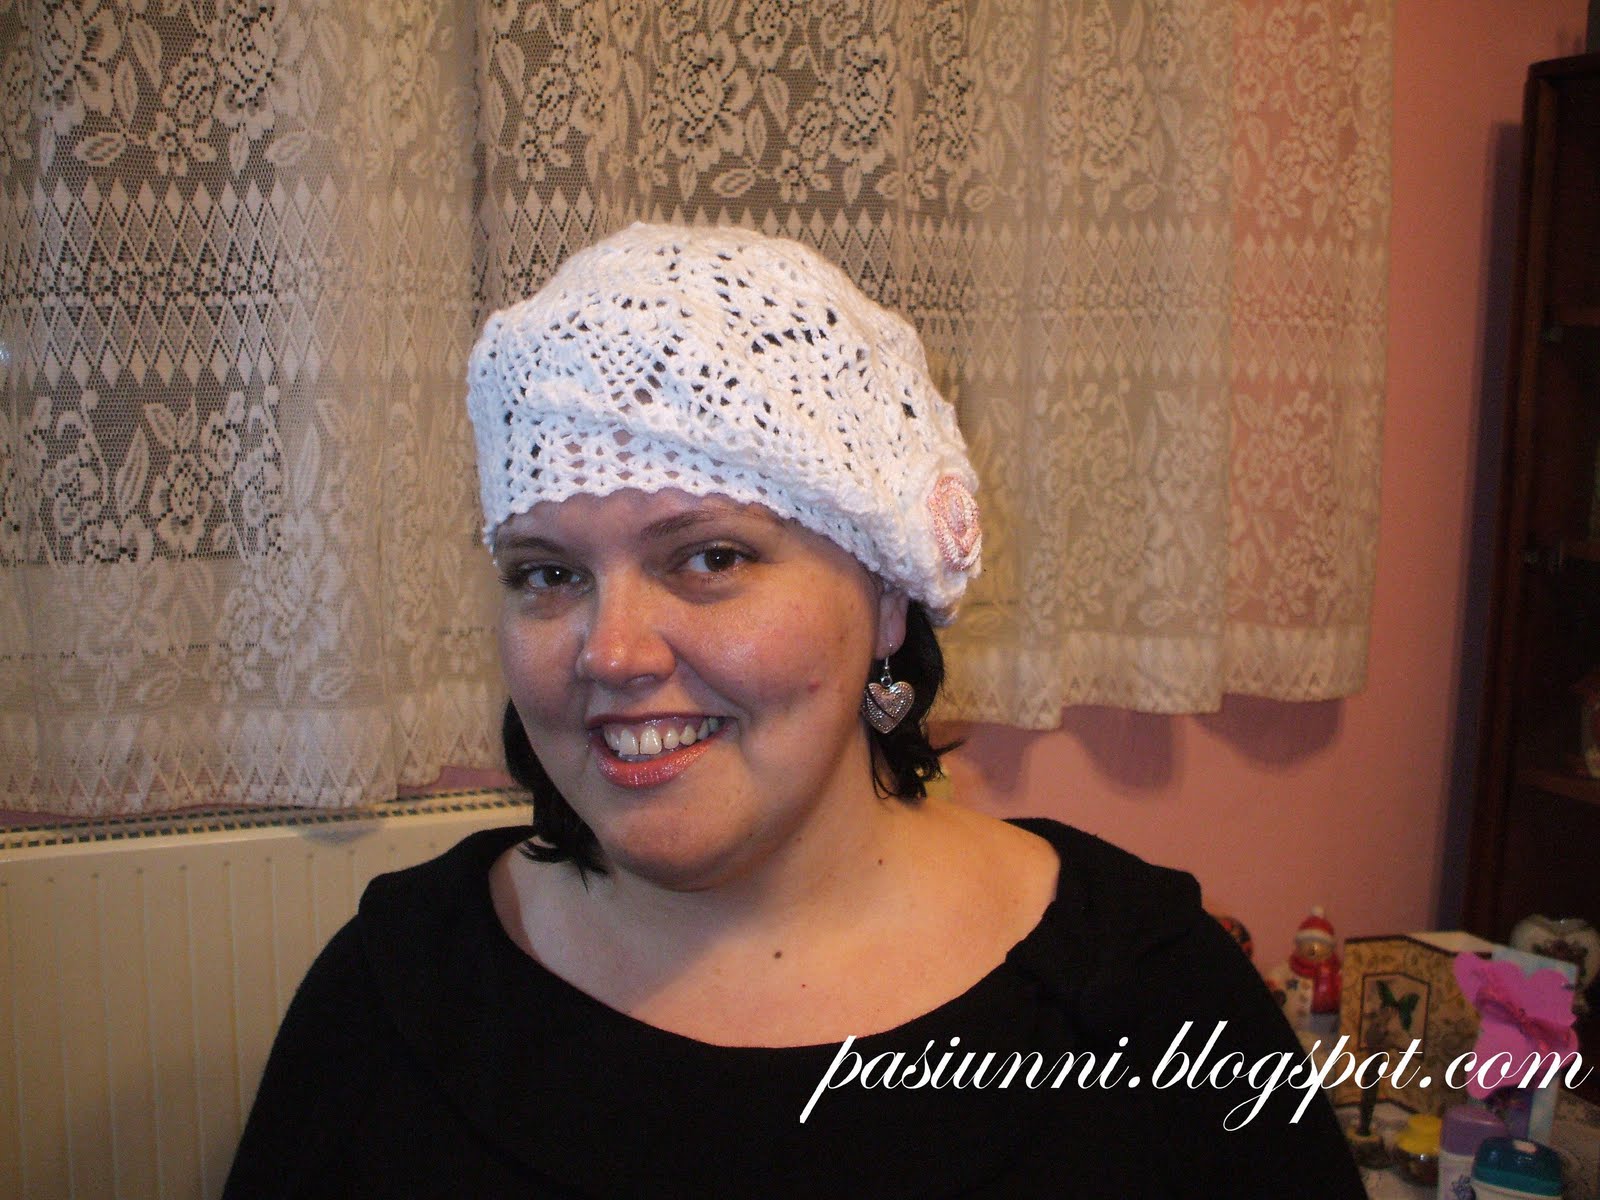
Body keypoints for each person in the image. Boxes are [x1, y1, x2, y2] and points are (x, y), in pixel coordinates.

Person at [225, 224, 1364, 1198]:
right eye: (547, 573)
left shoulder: (1146, 1004)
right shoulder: (393, 1000)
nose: (610, 653)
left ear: (885, 598)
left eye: (709, 557)